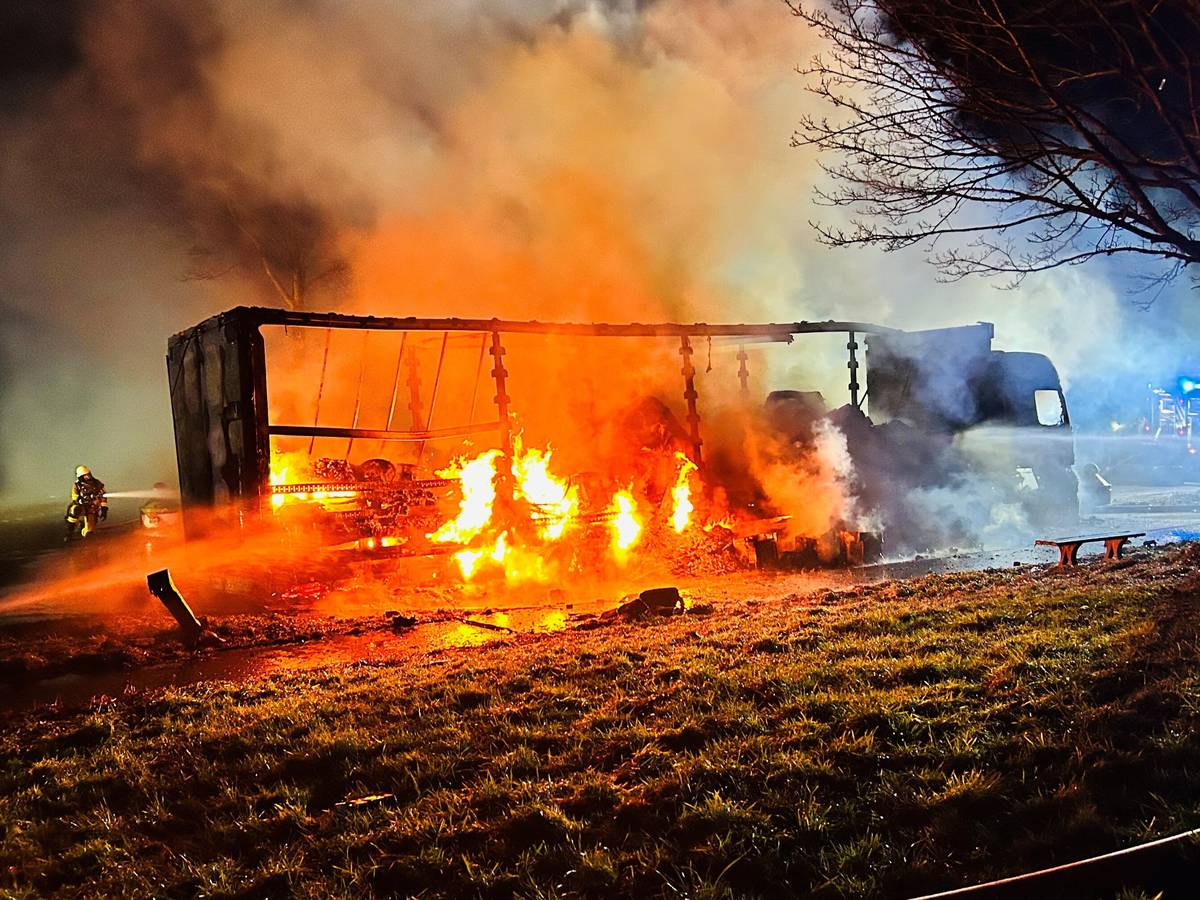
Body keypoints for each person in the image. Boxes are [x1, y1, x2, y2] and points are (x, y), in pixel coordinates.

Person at [65, 465, 108, 538]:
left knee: (88, 532)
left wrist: (104, 508)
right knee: (75, 509)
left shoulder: (96, 483)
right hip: (81, 507)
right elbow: (74, 496)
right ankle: (69, 531)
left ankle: (83, 529)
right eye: (85, 475)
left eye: (88, 474)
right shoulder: (77, 485)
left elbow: (103, 496)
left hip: (92, 508)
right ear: (81, 477)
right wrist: (80, 500)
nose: (87, 476)